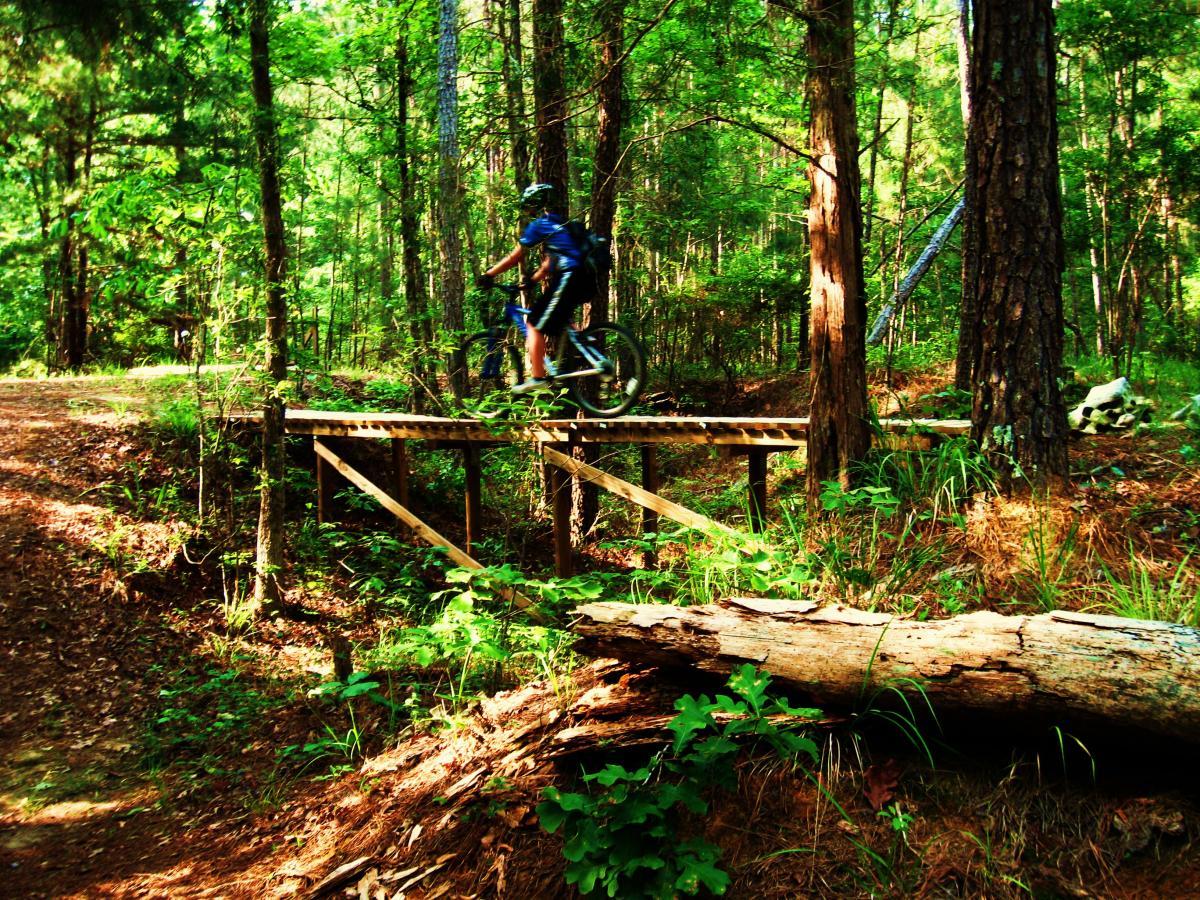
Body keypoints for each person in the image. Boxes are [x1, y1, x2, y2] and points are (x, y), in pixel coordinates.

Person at [476, 183, 591, 394]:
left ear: (535, 205)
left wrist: (489, 274)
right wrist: (533, 280)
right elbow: (550, 262)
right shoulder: (560, 225)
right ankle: (585, 346)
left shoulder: (540, 225)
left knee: (534, 325)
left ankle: (538, 378)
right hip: (582, 277)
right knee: (560, 319)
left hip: (568, 275)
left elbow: (517, 255)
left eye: (528, 206)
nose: (528, 211)